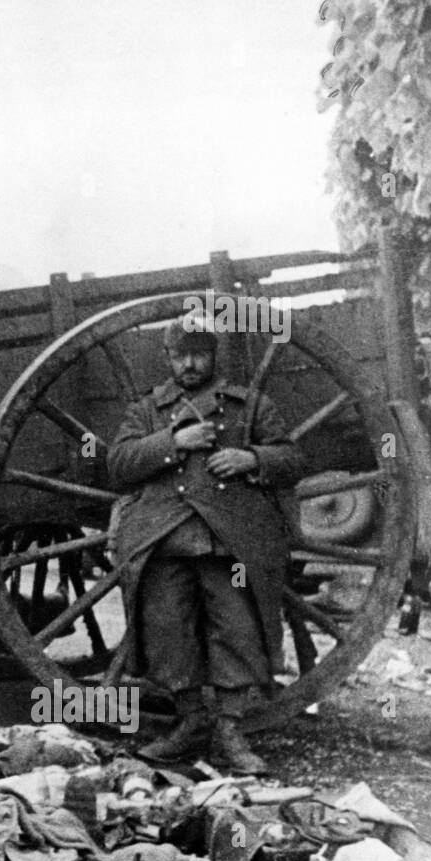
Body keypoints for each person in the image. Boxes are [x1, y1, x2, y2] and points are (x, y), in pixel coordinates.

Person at [107, 311, 307, 774]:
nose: (190, 366)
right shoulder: (148, 410)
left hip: (229, 541)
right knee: (167, 630)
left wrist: (250, 456)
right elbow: (118, 464)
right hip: (164, 538)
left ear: (213, 355)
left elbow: (293, 458)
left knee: (237, 628)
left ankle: (232, 730)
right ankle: (189, 721)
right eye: (181, 356)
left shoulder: (248, 405)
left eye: (199, 355)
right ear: (168, 358)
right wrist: (174, 441)